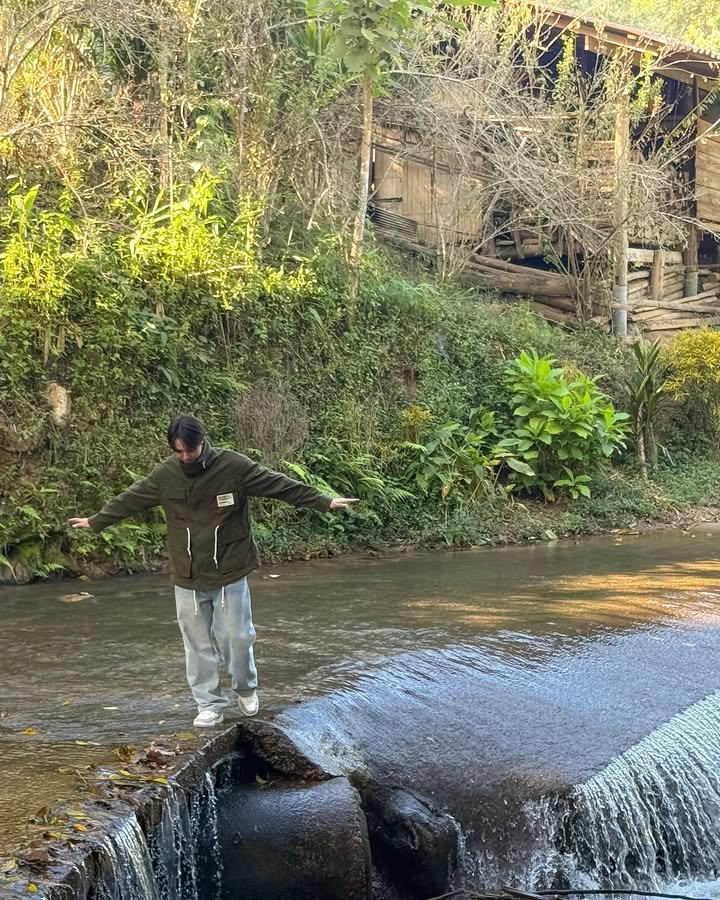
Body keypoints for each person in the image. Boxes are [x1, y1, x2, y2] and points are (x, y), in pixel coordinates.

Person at [69, 414, 358, 728]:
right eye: (178, 452)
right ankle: (209, 704)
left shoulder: (233, 467)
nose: (185, 457)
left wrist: (323, 500)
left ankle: (246, 689)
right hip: (187, 573)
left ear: (201, 442)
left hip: (229, 569)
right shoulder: (165, 475)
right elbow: (131, 499)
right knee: (197, 645)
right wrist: (96, 521)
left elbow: (279, 485)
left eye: (189, 450)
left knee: (237, 637)